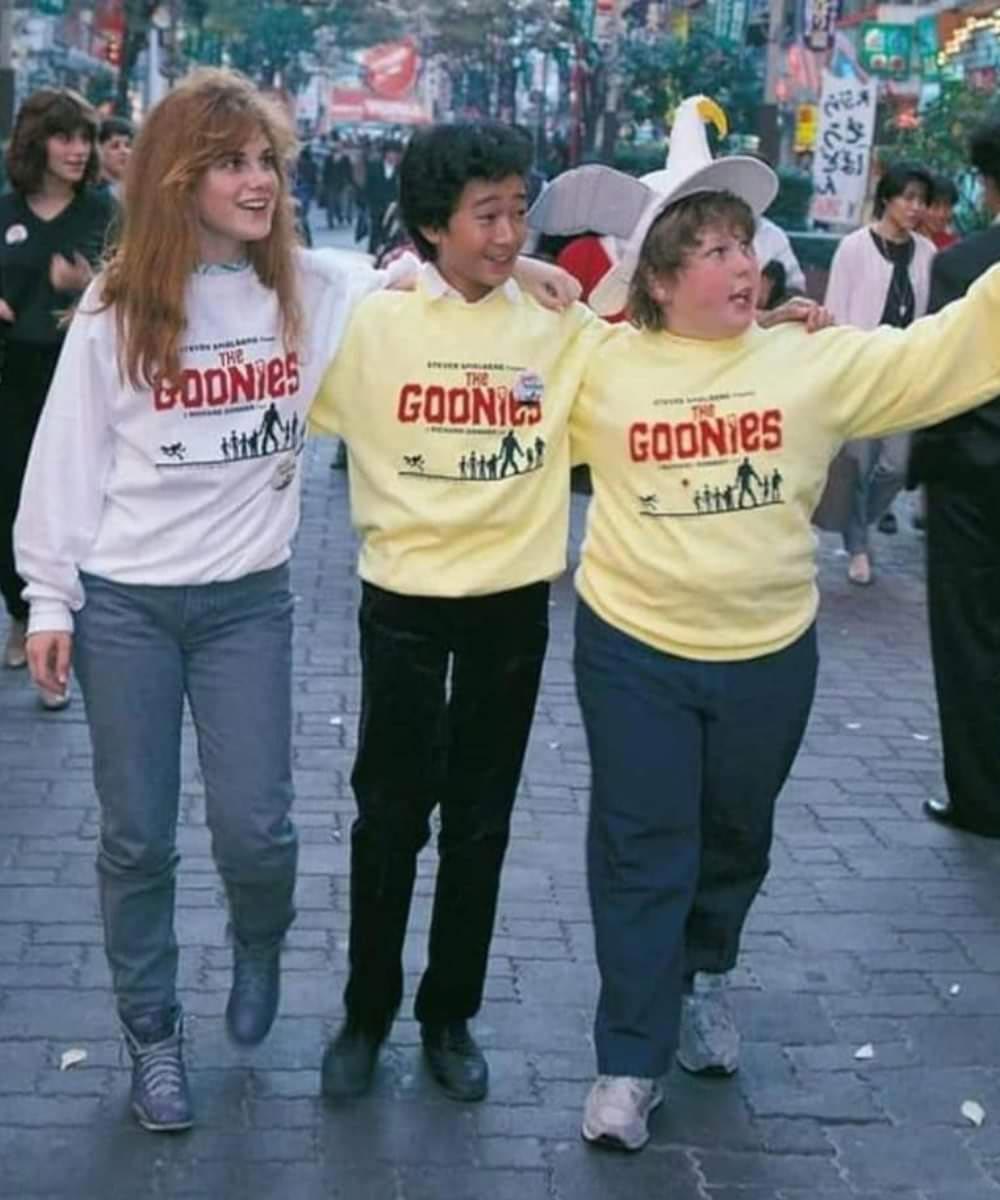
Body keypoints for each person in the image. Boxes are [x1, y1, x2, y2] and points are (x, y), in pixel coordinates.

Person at [543, 112, 1000, 1153]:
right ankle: (627, 1057)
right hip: (634, 649)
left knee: (732, 836)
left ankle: (705, 970)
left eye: (744, 243)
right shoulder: (599, 365)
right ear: (656, 280)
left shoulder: (810, 364)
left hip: (766, 654)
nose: (741, 265)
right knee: (639, 843)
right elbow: (490, 341)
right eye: (709, 250)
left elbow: (947, 352)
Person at [12, 68, 424, 1136]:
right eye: (232, 165)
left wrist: (533, 274)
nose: (258, 184)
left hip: (248, 603)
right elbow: (67, 460)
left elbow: (418, 285)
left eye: (267, 164)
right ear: (178, 179)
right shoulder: (118, 308)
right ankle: (151, 1032)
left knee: (258, 831)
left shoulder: (310, 289)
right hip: (128, 609)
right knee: (136, 838)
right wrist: (48, 602)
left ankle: (257, 939)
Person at [309, 120, 607, 1107]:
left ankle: (450, 1014)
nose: (508, 231)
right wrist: (377, 278)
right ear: (432, 226)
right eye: (486, 214)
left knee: (482, 822)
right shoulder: (373, 322)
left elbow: (655, 369)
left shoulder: (556, 324)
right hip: (400, 605)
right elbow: (283, 299)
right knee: (387, 819)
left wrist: (771, 328)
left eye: (519, 210)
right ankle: (365, 1012)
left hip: (511, 608)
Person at [0, 88, 116, 700]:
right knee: (11, 500)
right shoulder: (6, 211)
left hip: (81, 378)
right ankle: (24, 610)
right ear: (36, 143)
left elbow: (139, 290)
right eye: (65, 137)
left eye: (86, 139)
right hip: (13, 376)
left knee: (76, 500)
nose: (78, 151)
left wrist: (88, 283)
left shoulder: (103, 213)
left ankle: (62, 631)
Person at [910, 123, 1000, 837]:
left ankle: (979, 793)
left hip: (972, 479)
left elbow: (938, 378)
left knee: (968, 635)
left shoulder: (963, 263)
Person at [823, 161, 936, 584]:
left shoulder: (926, 252)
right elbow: (835, 311)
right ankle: (857, 545)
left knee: (897, 466)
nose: (915, 207)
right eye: (908, 197)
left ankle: (856, 522)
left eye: (921, 200)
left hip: (906, 374)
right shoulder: (854, 247)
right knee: (858, 460)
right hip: (861, 371)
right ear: (887, 198)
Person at [97, 115, 134, 199]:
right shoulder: (93, 194)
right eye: (115, 146)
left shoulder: (137, 188)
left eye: (128, 145)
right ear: (99, 151)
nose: (124, 151)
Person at [920, 174, 960, 250]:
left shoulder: (953, 245)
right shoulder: (905, 239)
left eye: (948, 207)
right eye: (935, 206)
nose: (941, 214)